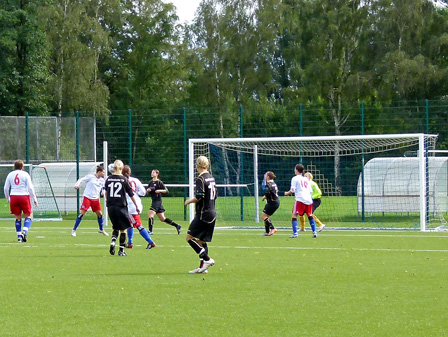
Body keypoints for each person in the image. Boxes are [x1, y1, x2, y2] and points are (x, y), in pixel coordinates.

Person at [184, 156, 217, 274]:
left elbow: (199, 196)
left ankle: (207, 259)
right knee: (202, 241)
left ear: (197, 166)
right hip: (212, 212)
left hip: (204, 213)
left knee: (189, 238)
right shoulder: (212, 178)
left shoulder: (201, 179)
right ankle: (203, 268)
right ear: (207, 166)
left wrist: (188, 201)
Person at [104, 160, 140, 257]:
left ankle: (113, 240)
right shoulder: (124, 179)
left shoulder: (108, 179)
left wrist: (108, 202)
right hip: (121, 206)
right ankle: (121, 251)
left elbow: (106, 193)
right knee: (123, 229)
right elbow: (131, 194)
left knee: (116, 227)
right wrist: (136, 206)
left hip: (111, 207)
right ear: (122, 168)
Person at [121, 165, 156, 249]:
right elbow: (143, 192)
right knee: (130, 224)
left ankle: (151, 242)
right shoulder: (135, 180)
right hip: (137, 204)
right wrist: (136, 194)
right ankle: (130, 243)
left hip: (130, 206)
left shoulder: (122, 180)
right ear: (129, 172)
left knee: (138, 225)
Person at [3, 160, 38, 242]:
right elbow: (30, 187)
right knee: (28, 216)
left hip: (14, 196)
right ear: (22, 167)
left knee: (18, 218)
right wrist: (34, 198)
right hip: (24, 196)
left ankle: (19, 237)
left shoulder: (10, 174)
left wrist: (8, 198)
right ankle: (24, 232)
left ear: (14, 167)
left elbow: (6, 188)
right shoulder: (25, 174)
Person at [71, 165, 108, 237]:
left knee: (100, 214)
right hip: (87, 197)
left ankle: (101, 229)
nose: (104, 174)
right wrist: (77, 185)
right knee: (82, 213)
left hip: (96, 199)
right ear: (99, 172)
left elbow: (103, 187)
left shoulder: (102, 180)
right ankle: (74, 230)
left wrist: (103, 192)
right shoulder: (90, 177)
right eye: (103, 172)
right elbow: (80, 180)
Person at [284, 164, 317, 238]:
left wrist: (287, 193)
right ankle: (314, 232)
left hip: (300, 199)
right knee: (309, 215)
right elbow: (310, 191)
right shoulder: (306, 179)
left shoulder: (295, 178)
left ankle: (295, 233)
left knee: (294, 215)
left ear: (296, 170)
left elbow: (292, 190)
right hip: (308, 199)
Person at [146, 169, 181, 235]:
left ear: (157, 174)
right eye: (152, 172)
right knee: (162, 218)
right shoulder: (150, 182)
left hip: (157, 201)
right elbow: (147, 192)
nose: (152, 173)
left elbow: (166, 191)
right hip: (154, 200)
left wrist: (159, 191)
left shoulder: (159, 182)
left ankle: (150, 231)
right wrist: (148, 191)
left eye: (153, 172)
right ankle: (177, 226)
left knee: (150, 214)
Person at [261, 171, 280, 236]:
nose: (265, 176)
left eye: (266, 175)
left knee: (263, 216)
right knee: (266, 217)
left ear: (268, 177)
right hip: (276, 201)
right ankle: (267, 232)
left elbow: (268, 193)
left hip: (272, 202)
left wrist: (265, 197)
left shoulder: (268, 185)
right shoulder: (274, 183)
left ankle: (273, 228)